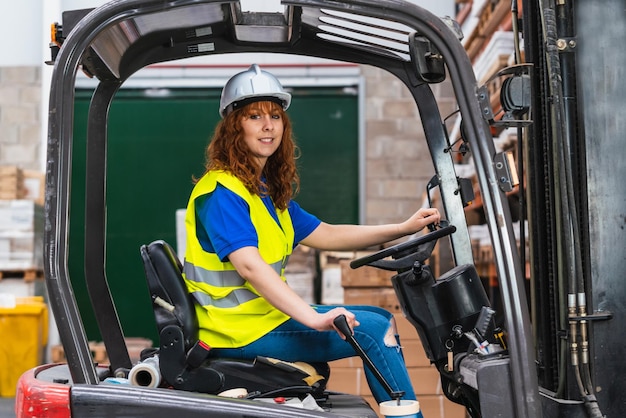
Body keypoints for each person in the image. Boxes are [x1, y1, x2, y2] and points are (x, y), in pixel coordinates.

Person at [182, 64, 440, 410]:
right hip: (238, 331)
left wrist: (401, 228)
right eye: (254, 116)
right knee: (372, 330)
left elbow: (329, 233)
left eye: (275, 115)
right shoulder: (223, 192)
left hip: (261, 320)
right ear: (234, 127)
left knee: (380, 319)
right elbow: (250, 267)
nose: (268, 125)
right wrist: (314, 318)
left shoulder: (263, 193)